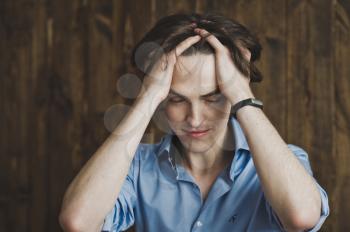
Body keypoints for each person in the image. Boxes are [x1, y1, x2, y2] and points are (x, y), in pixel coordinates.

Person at [59, 13, 329, 232]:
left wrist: (242, 95)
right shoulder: (138, 168)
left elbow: (302, 217)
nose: (195, 119)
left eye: (212, 98)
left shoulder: (286, 162)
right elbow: (78, 222)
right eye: (177, 100)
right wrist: (148, 95)